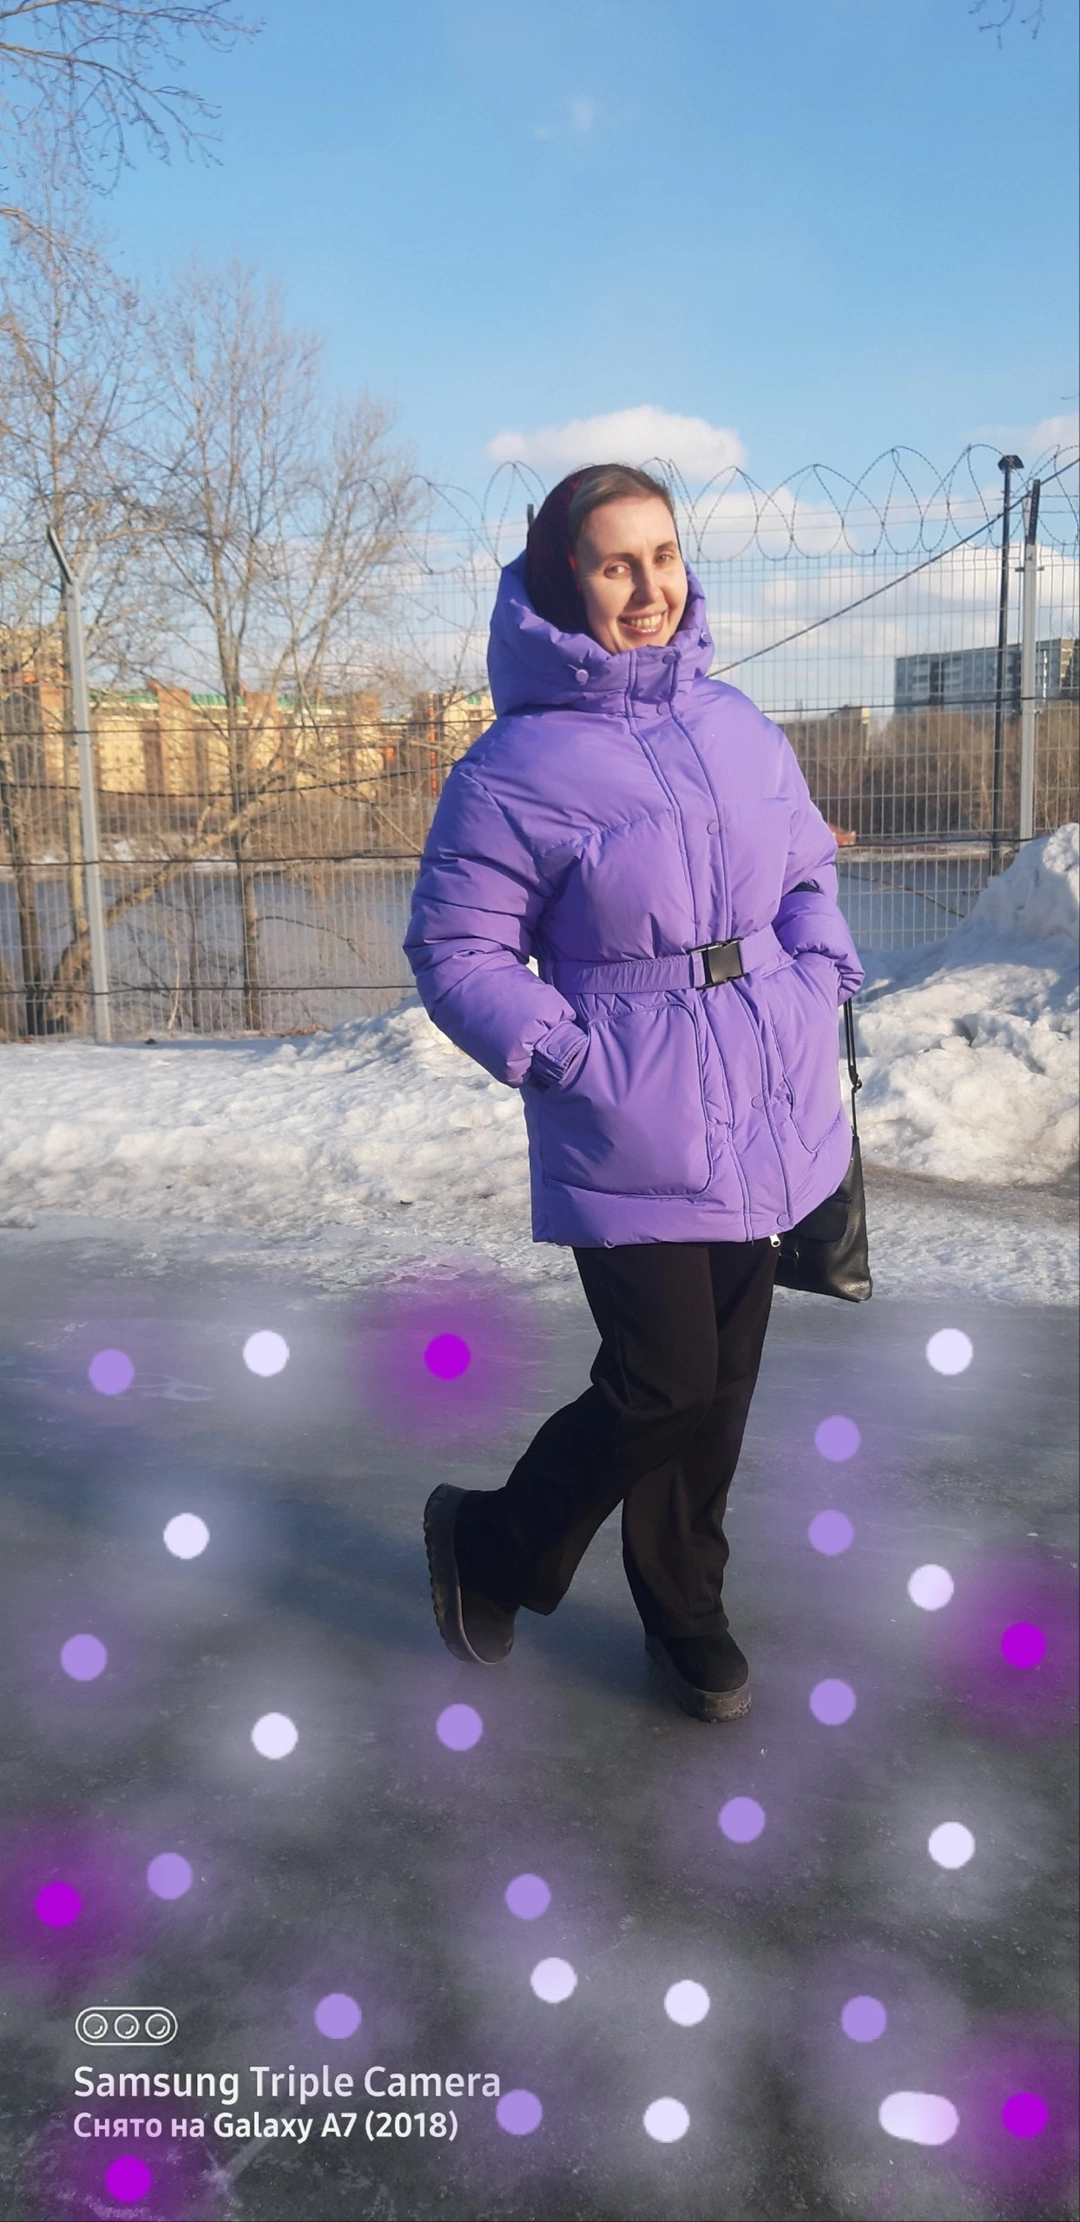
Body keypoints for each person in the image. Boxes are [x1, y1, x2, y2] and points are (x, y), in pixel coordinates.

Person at [403, 464, 863, 1721]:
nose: (651, 586)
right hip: (630, 1116)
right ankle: (493, 1541)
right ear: (567, 579)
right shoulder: (512, 767)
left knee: (722, 1386)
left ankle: (685, 1607)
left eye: (664, 555)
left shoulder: (737, 723)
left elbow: (807, 867)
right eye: (617, 563)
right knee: (662, 1380)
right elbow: (456, 949)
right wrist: (568, 1057)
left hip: (764, 1089)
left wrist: (817, 969)